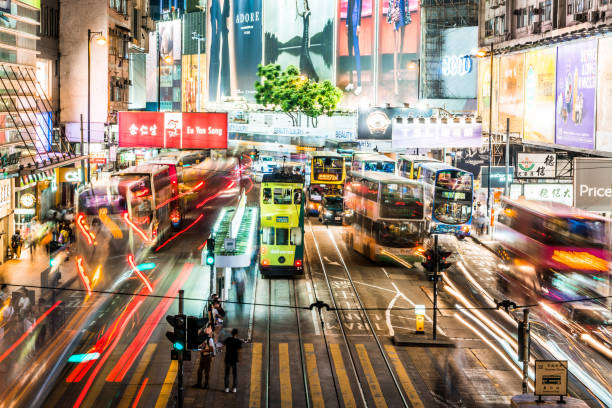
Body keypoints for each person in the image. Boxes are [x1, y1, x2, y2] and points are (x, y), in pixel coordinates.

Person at [193, 324, 216, 389]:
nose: (206, 329)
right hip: (203, 357)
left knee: (206, 372)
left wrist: (203, 350)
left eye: (208, 328)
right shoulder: (204, 338)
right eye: (207, 328)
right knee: (199, 371)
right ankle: (199, 384)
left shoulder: (210, 340)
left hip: (207, 357)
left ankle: (206, 385)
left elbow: (211, 349)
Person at [223, 328, 242, 393]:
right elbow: (239, 351)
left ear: (232, 333)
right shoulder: (238, 341)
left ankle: (226, 388)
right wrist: (239, 359)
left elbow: (223, 343)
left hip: (227, 358)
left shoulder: (228, 339)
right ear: (237, 334)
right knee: (234, 374)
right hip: (234, 359)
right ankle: (234, 388)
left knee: (227, 374)